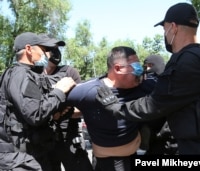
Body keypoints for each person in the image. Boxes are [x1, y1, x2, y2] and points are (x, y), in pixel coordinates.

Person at [95, 3, 200, 155]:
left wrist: (117, 108)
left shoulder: (185, 61)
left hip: (198, 149)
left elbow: (155, 103)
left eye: (164, 29)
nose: (165, 34)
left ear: (173, 27)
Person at [0, 32, 76, 171]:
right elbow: (35, 114)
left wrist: (57, 114)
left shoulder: (25, 74)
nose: (47, 55)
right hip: (21, 159)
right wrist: (59, 91)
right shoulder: (21, 75)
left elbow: (28, 111)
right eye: (43, 50)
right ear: (29, 49)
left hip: (30, 154)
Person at [66, 46, 150, 171]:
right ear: (117, 68)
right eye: (135, 67)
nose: (140, 71)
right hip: (106, 163)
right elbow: (57, 100)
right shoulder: (89, 91)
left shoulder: (143, 87)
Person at [39, 33, 93, 170]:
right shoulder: (32, 76)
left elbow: (82, 107)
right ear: (40, 51)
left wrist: (64, 114)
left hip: (69, 137)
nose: (56, 52)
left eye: (58, 49)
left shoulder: (69, 72)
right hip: (43, 141)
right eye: (51, 49)